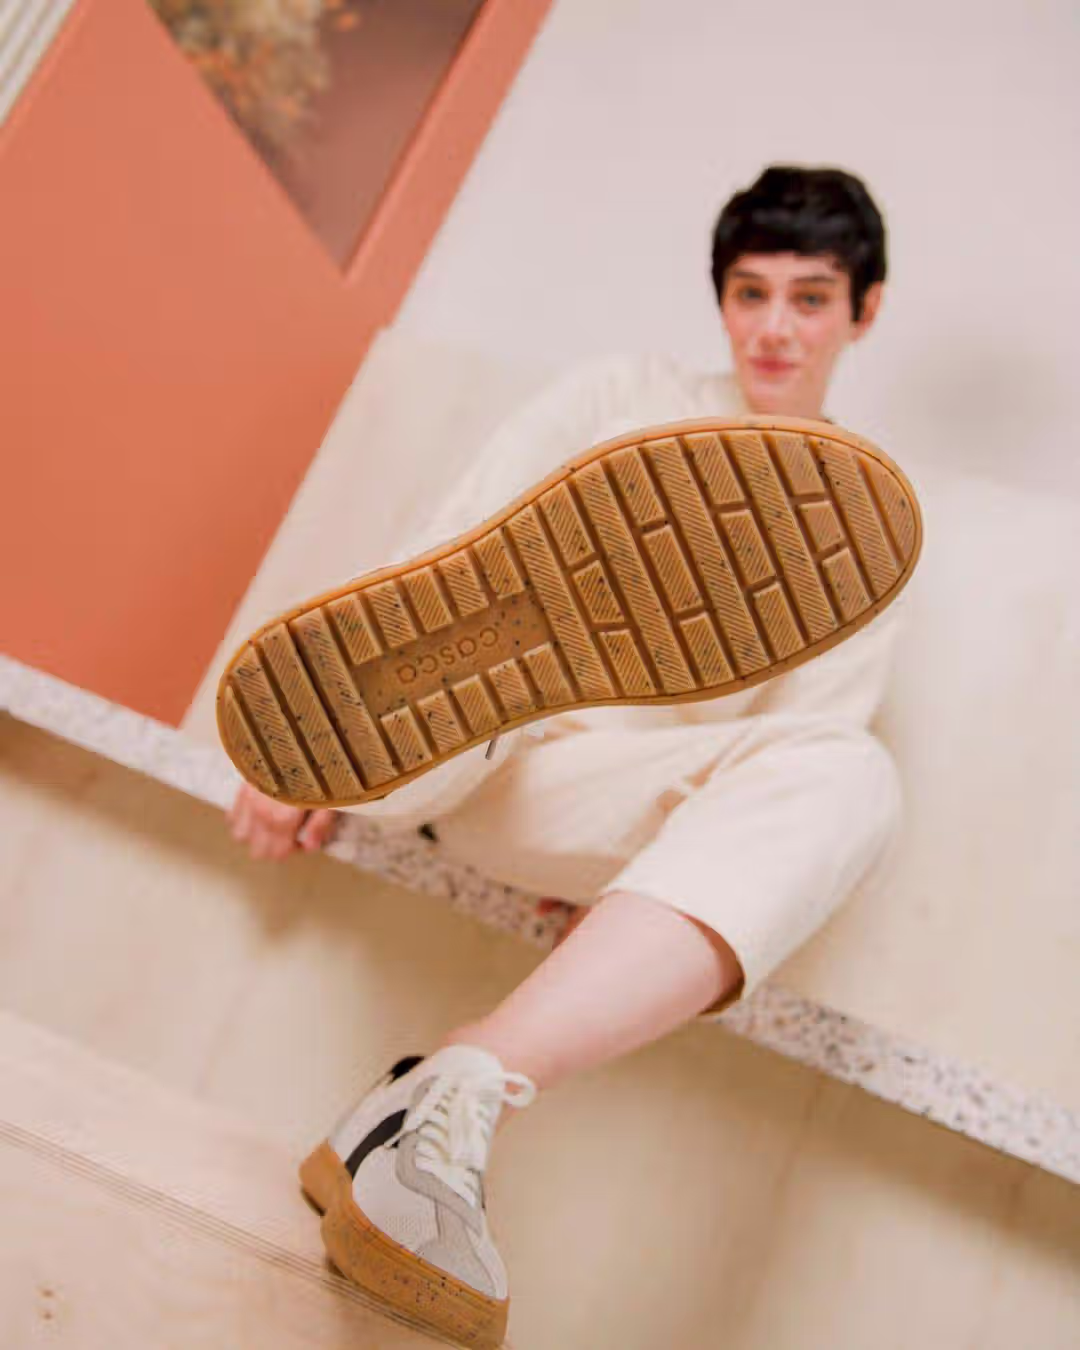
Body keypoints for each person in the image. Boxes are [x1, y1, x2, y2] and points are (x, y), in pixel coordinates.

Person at [226, 165, 910, 1346]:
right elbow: (432, 572)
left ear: (865, 311)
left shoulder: (866, 527)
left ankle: (458, 1083)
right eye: (750, 295)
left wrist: (645, 891)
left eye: (808, 299)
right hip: (462, 737)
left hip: (576, 808)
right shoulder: (621, 394)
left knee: (851, 774)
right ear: (720, 301)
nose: (774, 328)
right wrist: (309, 743)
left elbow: (800, 755)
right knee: (468, 653)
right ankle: (357, 755)